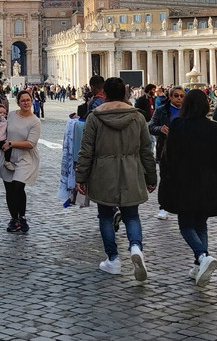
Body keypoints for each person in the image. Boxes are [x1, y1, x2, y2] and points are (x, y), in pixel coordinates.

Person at [76, 77, 156, 281]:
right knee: (131, 215)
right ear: (125, 94)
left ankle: (113, 259)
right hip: (132, 170)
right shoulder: (137, 117)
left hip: (103, 171)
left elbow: (86, 151)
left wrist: (81, 177)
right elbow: (147, 150)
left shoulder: (95, 117)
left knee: (105, 216)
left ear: (105, 94)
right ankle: (136, 247)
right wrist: (151, 176)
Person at [157, 89, 217, 286]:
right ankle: (199, 265)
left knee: (186, 224)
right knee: (201, 223)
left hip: (184, 181)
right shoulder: (214, 128)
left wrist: (167, 178)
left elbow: (169, 156)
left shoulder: (178, 125)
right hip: (208, 181)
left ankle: (202, 256)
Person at [0, 91, 41, 233]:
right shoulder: (11, 115)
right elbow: (1, 128)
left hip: (25, 157)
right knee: (9, 189)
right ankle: (13, 219)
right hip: (8, 156)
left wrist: (11, 143)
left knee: (18, 186)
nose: (26, 103)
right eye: (23, 100)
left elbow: (31, 143)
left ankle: (22, 217)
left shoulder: (35, 121)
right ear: (18, 103)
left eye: (28, 100)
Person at [149, 87, 185, 218]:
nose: (179, 98)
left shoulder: (188, 111)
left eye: (182, 96)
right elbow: (151, 127)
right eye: (176, 95)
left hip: (184, 149)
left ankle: (181, 203)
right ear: (170, 97)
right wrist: (160, 129)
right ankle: (164, 207)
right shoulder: (161, 110)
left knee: (182, 178)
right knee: (165, 178)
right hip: (165, 148)